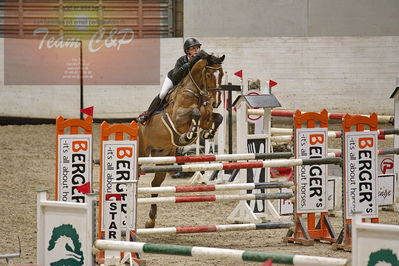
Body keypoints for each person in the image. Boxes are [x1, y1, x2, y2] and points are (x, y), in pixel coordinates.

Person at [138, 38, 203, 123]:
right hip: (173, 80)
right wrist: (185, 66)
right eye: (193, 48)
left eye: (197, 48)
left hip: (186, 84)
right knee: (163, 94)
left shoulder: (199, 60)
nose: (196, 50)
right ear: (187, 51)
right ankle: (147, 115)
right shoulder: (181, 60)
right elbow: (175, 76)